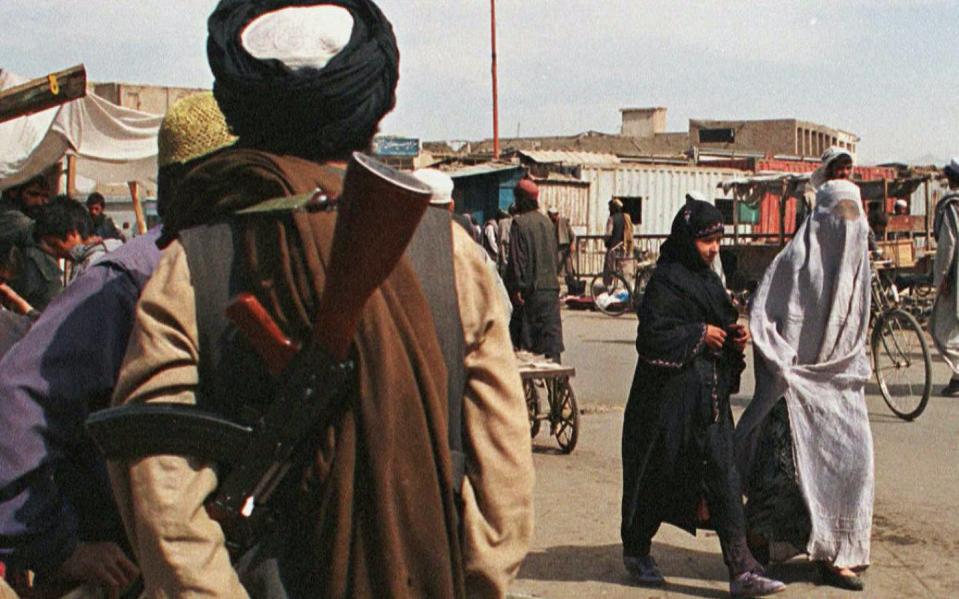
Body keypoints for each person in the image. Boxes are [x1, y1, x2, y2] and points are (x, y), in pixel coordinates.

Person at [108, 3, 533, 597]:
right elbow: (502, 488)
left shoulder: (190, 266)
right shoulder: (453, 257)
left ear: (241, 110)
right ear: (376, 112)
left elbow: (162, 497)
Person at [0, 91, 237, 598]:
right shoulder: (125, 283)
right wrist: (60, 547)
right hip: (119, 567)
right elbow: (15, 401)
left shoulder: (231, 273)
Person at [619, 199, 785, 597]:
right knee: (656, 477)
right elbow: (651, 338)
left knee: (725, 478)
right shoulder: (666, 280)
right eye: (706, 241)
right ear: (686, 239)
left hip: (707, 402)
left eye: (717, 241)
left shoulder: (710, 281)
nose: (713, 249)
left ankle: (741, 568)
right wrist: (699, 334)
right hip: (666, 407)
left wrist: (733, 336)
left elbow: (722, 321)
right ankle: (637, 549)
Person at [736, 179, 873, 591]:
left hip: (842, 385)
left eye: (855, 217)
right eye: (839, 218)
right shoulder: (794, 261)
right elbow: (763, 318)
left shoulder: (858, 265)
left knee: (854, 462)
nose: (848, 228)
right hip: (794, 391)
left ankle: (838, 552)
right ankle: (760, 546)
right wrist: (785, 366)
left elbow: (857, 329)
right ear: (821, 219)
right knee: (784, 472)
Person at [507, 178, 564, 362]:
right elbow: (555, 256)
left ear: (520, 200)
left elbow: (518, 261)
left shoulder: (519, 223)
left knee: (522, 343)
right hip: (551, 290)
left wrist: (516, 288)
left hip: (530, 292)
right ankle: (558, 384)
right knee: (551, 342)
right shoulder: (548, 222)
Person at [0, 176, 62, 310]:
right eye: (33, 194)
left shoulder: (35, 220)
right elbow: (35, 233)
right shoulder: (10, 218)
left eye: (45, 196)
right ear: (14, 193)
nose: (41, 202)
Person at [34, 197, 124, 284]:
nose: (56, 254)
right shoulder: (95, 257)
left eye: (55, 245)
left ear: (73, 233)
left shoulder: (94, 267)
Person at [930, 157, 959, 396]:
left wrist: (942, 279)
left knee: (942, 329)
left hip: (955, 275)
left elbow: (947, 246)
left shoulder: (951, 205)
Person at [548, 206, 576, 289]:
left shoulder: (563, 222)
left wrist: (572, 244)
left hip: (565, 248)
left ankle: (572, 287)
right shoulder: (549, 223)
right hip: (556, 249)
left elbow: (573, 236)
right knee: (555, 269)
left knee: (569, 269)